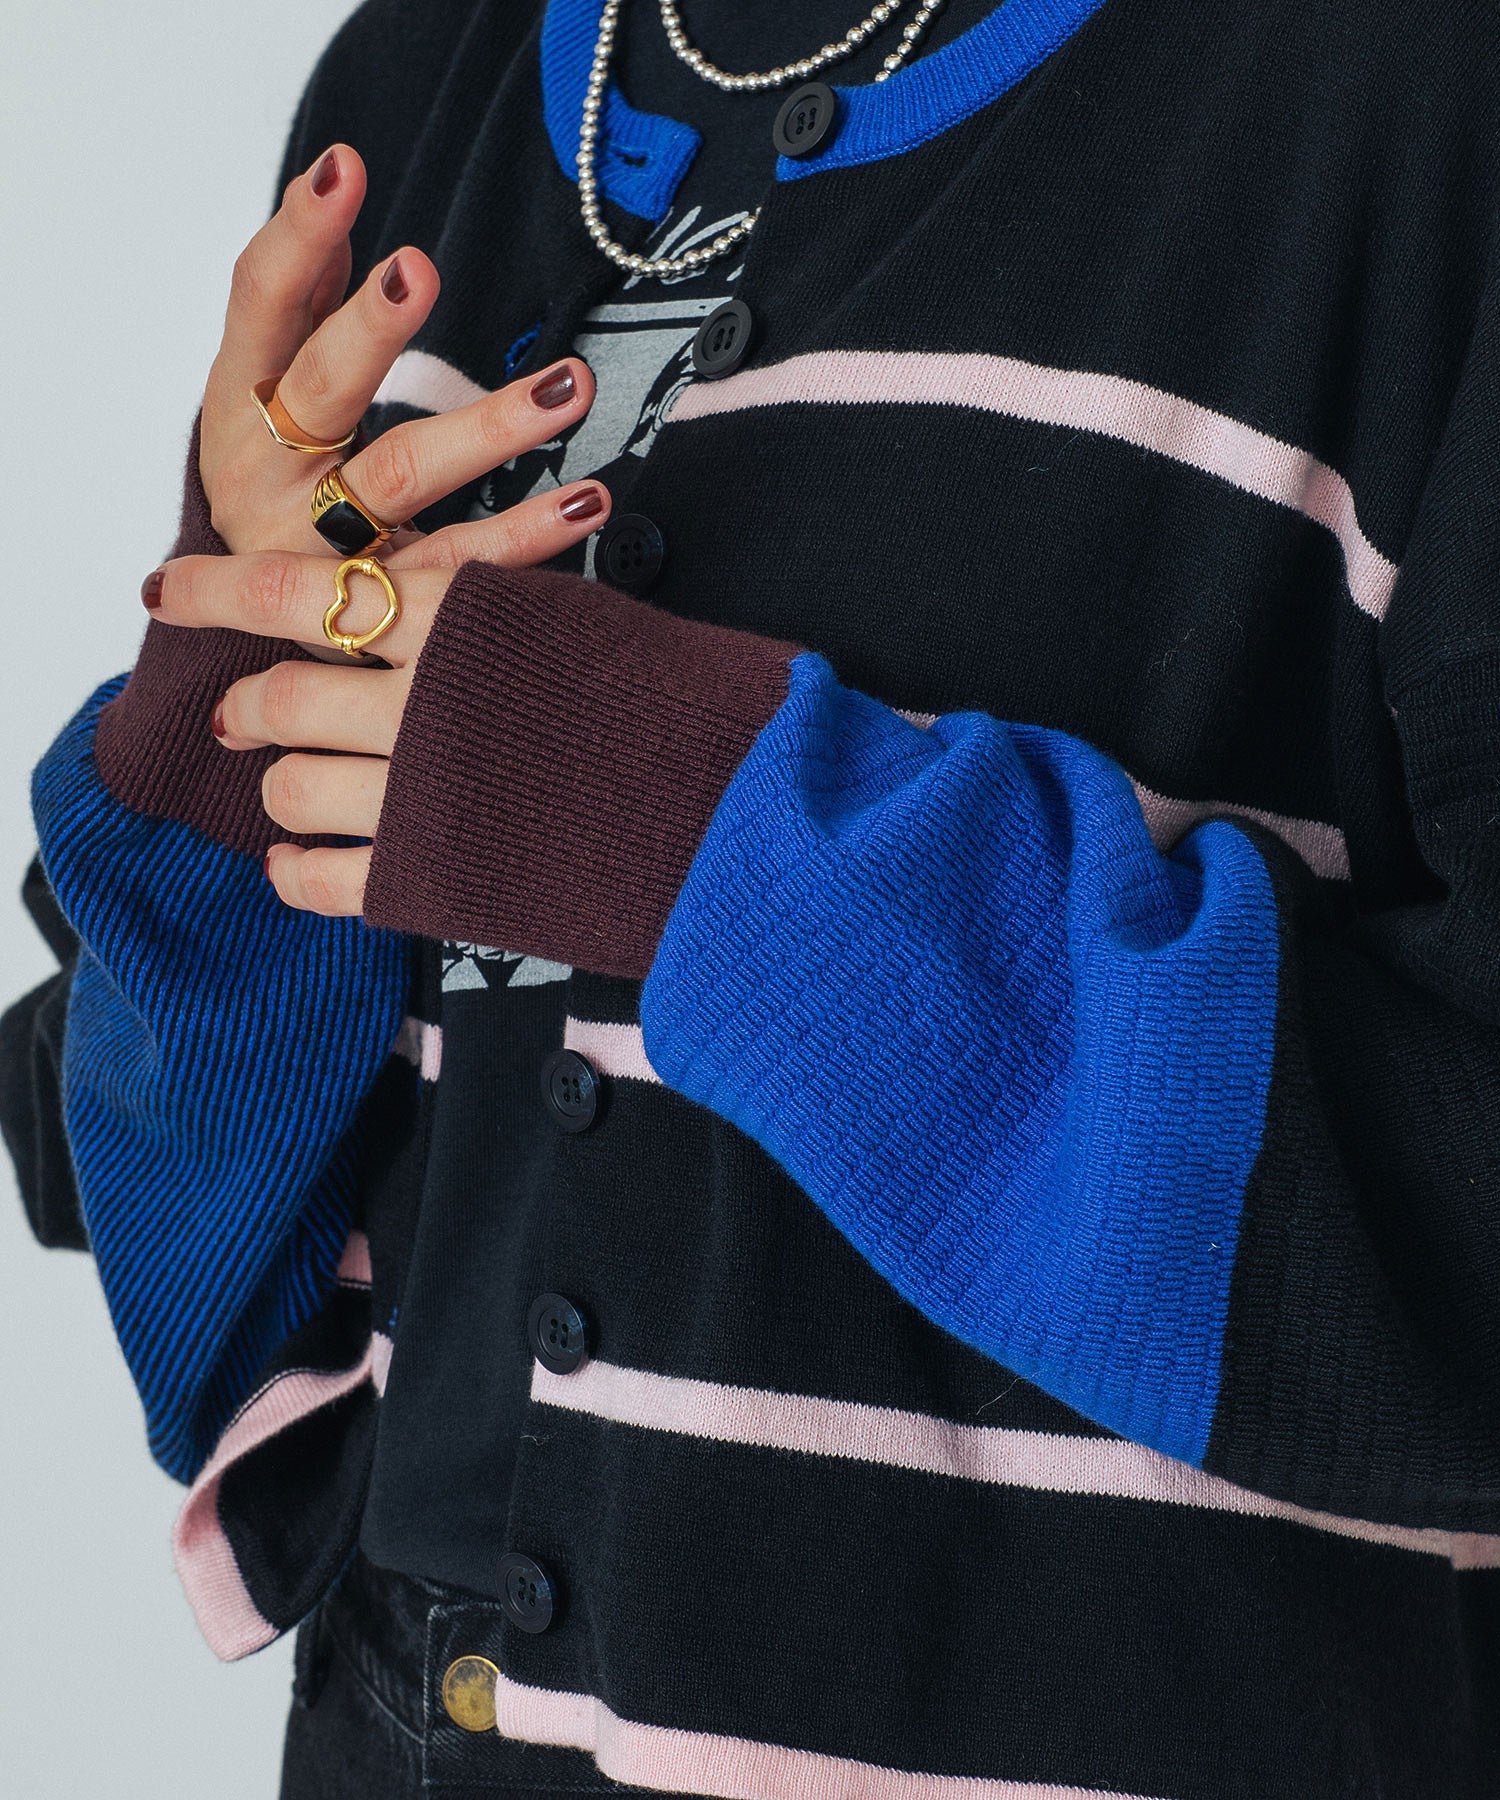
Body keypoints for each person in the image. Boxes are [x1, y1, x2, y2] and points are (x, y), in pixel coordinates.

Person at [6, 0, 1500, 1794]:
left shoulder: (1421, 89)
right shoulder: (418, 76)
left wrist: (715, 835)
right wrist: (222, 728)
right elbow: (191, 1179)